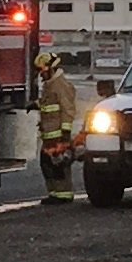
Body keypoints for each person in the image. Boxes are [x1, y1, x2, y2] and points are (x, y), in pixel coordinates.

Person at [36, 53, 84, 200]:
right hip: (49, 135)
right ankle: (54, 193)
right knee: (47, 165)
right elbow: (49, 104)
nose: (41, 75)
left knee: (59, 166)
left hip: (57, 135)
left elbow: (68, 110)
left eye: (43, 72)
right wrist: (36, 105)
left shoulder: (61, 85)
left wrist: (65, 133)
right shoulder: (50, 85)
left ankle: (63, 195)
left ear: (51, 69)